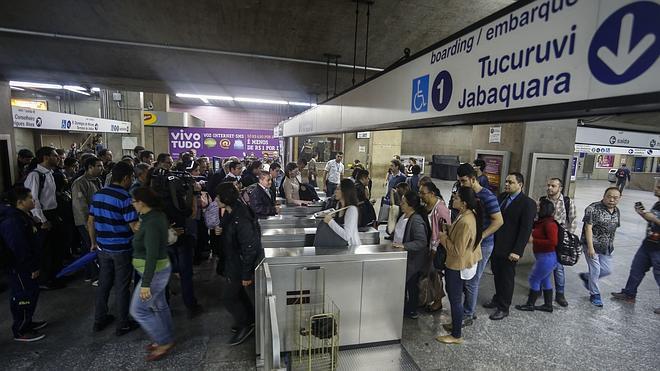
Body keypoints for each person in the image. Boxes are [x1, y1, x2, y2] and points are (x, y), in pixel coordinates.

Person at [88, 162, 140, 336]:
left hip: (103, 247)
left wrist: (93, 242)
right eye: (131, 177)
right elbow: (133, 226)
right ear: (126, 178)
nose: (131, 180)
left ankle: (99, 319)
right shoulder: (125, 197)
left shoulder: (98, 195)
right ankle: (122, 324)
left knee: (104, 284)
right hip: (122, 249)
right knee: (122, 286)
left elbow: (90, 221)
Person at [128, 187, 175, 361]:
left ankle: (163, 341)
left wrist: (146, 283)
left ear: (142, 202)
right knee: (160, 305)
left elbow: (152, 255)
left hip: (154, 272)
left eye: (133, 201)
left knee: (138, 310)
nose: (132, 204)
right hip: (158, 269)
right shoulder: (152, 216)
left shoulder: (152, 221)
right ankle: (166, 337)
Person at [215, 182, 264, 346]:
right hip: (233, 261)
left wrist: (246, 274)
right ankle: (249, 320)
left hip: (240, 263)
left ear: (226, 198)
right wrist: (220, 229)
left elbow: (250, 247)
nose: (215, 199)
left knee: (228, 297)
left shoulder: (241, 216)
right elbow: (228, 228)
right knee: (238, 294)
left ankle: (245, 324)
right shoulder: (231, 210)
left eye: (218, 196)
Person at [484, 172, 536, 320]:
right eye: (506, 181)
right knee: (497, 273)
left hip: (510, 248)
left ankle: (503, 307)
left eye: (511, 182)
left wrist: (517, 251)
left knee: (506, 277)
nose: (507, 184)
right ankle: (497, 298)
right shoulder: (501, 197)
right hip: (496, 244)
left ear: (520, 185)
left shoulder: (527, 203)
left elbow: (525, 230)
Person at [456, 163, 503, 326]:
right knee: (466, 278)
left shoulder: (487, 196)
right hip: (470, 243)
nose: (461, 184)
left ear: (473, 179)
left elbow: (498, 221)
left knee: (472, 280)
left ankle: (468, 314)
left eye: (463, 181)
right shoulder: (467, 195)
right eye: (460, 182)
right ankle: (468, 309)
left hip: (483, 244)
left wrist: (481, 236)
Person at [436, 186, 483, 344]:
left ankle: (456, 335)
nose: (453, 199)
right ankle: (456, 324)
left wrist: (443, 238)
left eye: (455, 198)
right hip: (461, 262)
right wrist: (449, 229)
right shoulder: (466, 214)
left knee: (455, 299)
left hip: (457, 264)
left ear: (463, 203)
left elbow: (457, 250)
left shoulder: (466, 221)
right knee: (454, 295)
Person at [0, 187, 48, 342]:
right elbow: (19, 247)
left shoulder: (23, 215)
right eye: (30, 198)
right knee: (23, 296)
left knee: (30, 293)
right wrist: (31, 266)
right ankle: (21, 330)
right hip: (20, 267)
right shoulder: (13, 220)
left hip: (27, 265)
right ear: (20, 202)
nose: (33, 200)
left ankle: (27, 321)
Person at [611, 179, 660, 312]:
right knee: (636, 270)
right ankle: (629, 294)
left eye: (659, 187)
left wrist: (654, 218)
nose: (656, 189)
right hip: (648, 244)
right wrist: (643, 214)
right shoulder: (657, 204)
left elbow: (655, 220)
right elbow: (652, 221)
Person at [24, 147, 62, 290]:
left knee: (54, 248)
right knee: (45, 249)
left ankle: (53, 276)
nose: (58, 158)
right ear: (46, 157)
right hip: (42, 215)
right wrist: (42, 219)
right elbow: (33, 199)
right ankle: (44, 281)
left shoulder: (50, 173)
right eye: (55, 156)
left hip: (52, 212)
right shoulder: (35, 175)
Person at [578, 187, 621, 307]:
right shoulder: (593, 208)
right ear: (604, 196)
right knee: (595, 270)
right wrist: (590, 247)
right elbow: (588, 228)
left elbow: (613, 230)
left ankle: (587, 277)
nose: (612, 199)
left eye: (615, 197)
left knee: (607, 270)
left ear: (619, 199)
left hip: (606, 247)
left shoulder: (616, 211)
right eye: (609, 196)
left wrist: (610, 245)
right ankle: (595, 294)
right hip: (592, 245)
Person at [515, 199, 558, 313]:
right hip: (544, 257)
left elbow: (553, 242)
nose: (537, 208)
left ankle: (530, 304)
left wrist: (534, 240)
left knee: (534, 278)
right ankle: (548, 305)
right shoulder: (542, 222)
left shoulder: (550, 224)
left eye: (539, 207)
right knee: (544, 279)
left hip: (547, 257)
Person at [392, 191, 430, 319]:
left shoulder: (416, 220)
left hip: (413, 261)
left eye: (403, 202)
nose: (401, 204)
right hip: (401, 257)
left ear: (410, 205)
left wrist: (404, 246)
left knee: (412, 285)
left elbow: (422, 242)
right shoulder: (404, 215)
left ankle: (412, 310)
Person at [540, 178, 576, 307]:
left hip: (560, 239)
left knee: (559, 268)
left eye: (553, 186)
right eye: (548, 185)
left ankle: (560, 294)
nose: (550, 188)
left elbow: (573, 220)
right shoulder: (543, 201)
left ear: (559, 188)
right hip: (545, 239)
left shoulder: (567, 202)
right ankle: (538, 289)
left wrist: (568, 237)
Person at [71, 156, 104, 285]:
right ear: (90, 167)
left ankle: (89, 274)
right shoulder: (80, 183)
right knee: (93, 247)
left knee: (87, 247)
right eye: (99, 166)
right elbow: (80, 205)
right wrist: (87, 224)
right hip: (86, 222)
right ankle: (96, 277)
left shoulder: (97, 180)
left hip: (95, 220)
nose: (102, 168)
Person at [323, 179, 361, 246]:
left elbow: (347, 236)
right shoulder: (339, 206)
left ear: (345, 191)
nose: (335, 192)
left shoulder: (352, 210)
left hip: (351, 249)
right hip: (341, 246)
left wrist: (330, 221)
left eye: (338, 189)